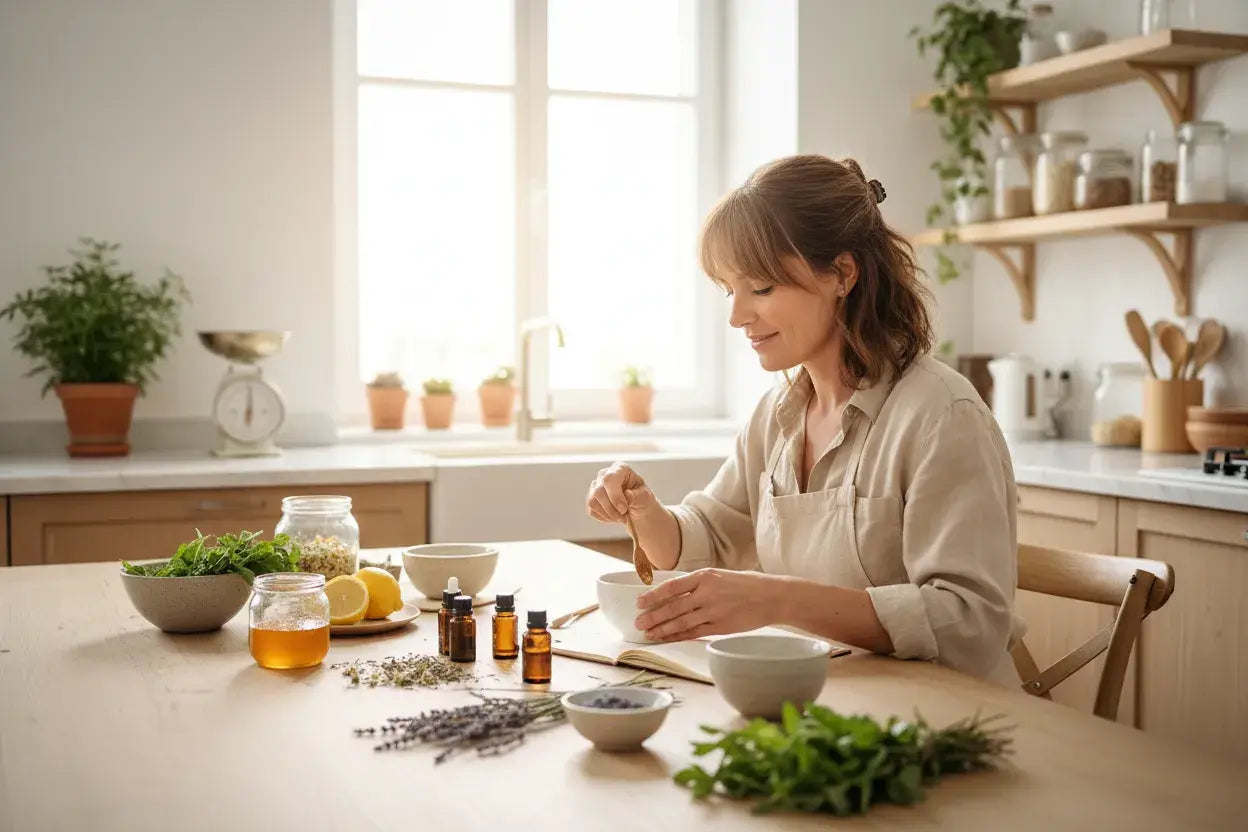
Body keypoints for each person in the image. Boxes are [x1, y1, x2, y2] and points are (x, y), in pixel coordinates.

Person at [584, 154, 1021, 685]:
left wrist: (775, 598)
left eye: (761, 288)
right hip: (825, 700)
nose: (737, 315)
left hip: (940, 719)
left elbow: (969, 626)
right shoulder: (778, 413)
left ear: (841, 274)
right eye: (730, 290)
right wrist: (644, 510)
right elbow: (713, 536)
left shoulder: (942, 416)